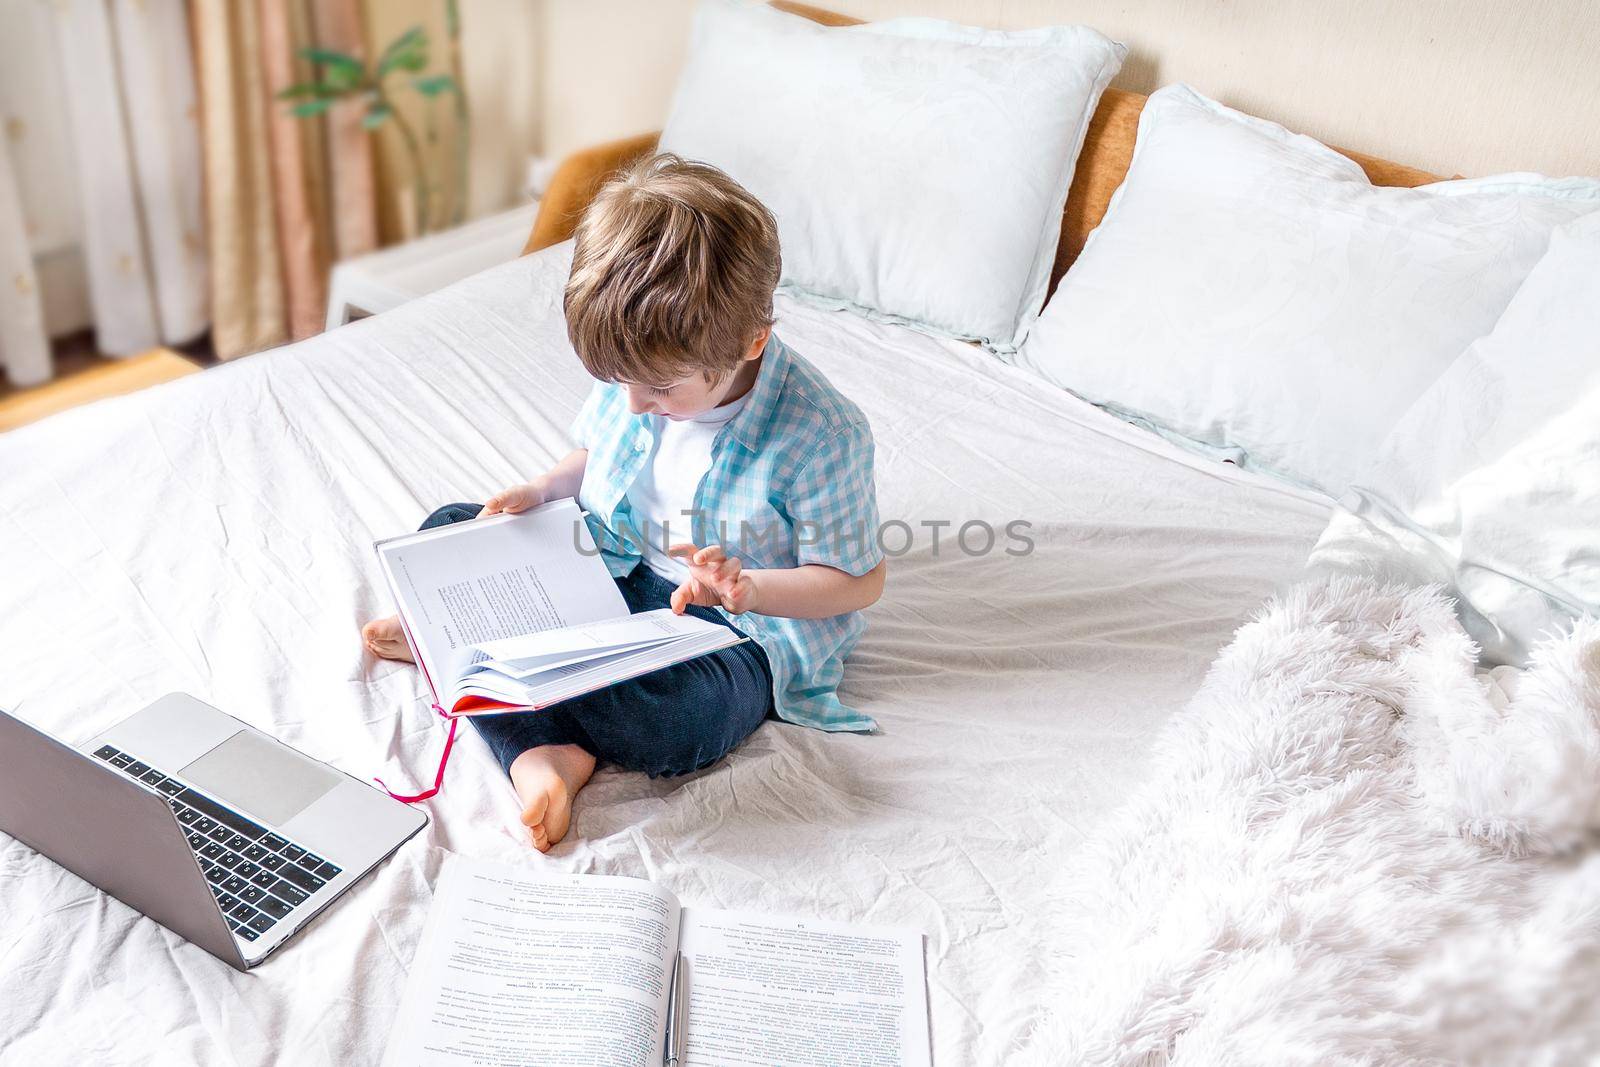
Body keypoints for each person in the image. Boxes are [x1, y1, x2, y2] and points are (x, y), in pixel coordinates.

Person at [361, 153, 886, 851]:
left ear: (751, 341)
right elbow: (595, 458)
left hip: (724, 627)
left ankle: (488, 685)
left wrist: (746, 588)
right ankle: (526, 719)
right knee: (448, 533)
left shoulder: (824, 433)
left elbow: (857, 581)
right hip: (606, 558)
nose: (634, 404)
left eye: (661, 392)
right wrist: (547, 489)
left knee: (680, 722)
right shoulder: (640, 369)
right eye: (620, 382)